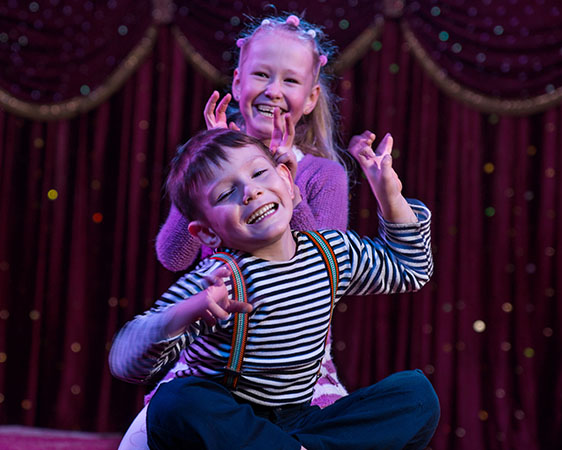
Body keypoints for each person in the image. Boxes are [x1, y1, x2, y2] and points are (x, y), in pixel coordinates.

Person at [110, 128, 439, 449]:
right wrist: (189, 310)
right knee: (175, 401)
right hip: (231, 427)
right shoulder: (220, 278)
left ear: (287, 179)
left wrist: (390, 197)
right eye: (226, 193)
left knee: (416, 395)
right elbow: (126, 362)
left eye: (259, 173)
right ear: (208, 233)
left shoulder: (332, 253)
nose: (250, 192)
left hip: (299, 423)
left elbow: (411, 270)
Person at [155, 13, 352, 410]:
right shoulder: (209, 168)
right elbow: (173, 256)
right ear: (237, 82)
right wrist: (204, 168)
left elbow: (328, 273)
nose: (273, 91)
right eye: (261, 75)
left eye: (290, 80)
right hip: (216, 355)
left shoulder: (323, 176)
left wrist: (287, 186)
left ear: (311, 98)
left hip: (295, 363)